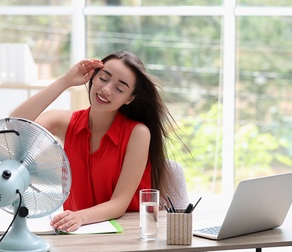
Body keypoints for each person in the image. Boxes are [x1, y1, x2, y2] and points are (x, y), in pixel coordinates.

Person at [10, 50, 181, 232]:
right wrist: (65, 81)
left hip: (128, 239)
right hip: (78, 237)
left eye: (120, 88)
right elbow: (14, 127)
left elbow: (119, 203)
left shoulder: (138, 133)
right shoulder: (66, 123)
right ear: (93, 77)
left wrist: (80, 216)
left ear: (129, 98)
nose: (106, 90)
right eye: (103, 78)